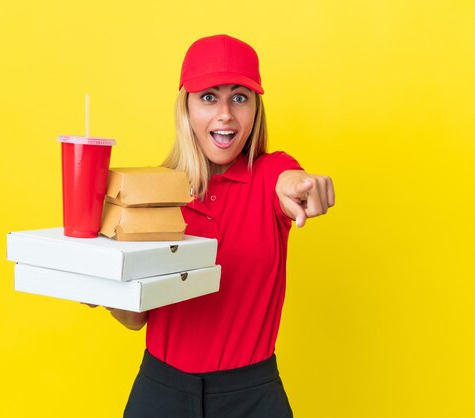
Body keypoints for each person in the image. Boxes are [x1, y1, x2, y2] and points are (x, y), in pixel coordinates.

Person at [91, 34, 335, 418]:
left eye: (239, 98)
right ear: (185, 107)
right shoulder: (155, 194)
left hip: (252, 396)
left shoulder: (270, 173)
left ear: (256, 109)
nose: (225, 114)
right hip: (161, 392)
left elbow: (289, 181)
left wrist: (302, 187)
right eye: (209, 97)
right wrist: (100, 285)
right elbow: (136, 320)